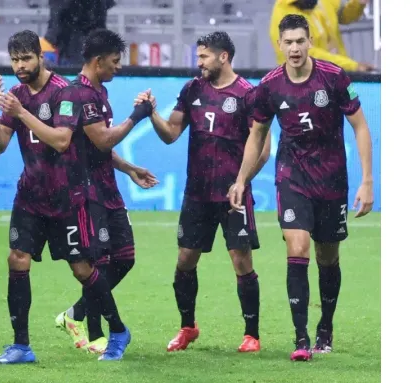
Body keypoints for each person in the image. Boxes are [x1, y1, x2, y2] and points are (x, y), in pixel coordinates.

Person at [0, 29, 150, 363]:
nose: (19, 66)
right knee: (16, 260)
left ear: (40, 56)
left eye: (25, 59)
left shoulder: (65, 92)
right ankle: (21, 346)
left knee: (82, 269)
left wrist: (20, 113)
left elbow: (63, 141)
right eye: (14, 60)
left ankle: (117, 329)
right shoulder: (16, 95)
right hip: (30, 196)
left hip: (67, 197)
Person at [228, 14, 374, 361]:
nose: (294, 48)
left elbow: (361, 128)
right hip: (292, 176)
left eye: (300, 41)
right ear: (280, 45)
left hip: (332, 179)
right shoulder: (269, 87)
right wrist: (240, 179)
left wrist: (367, 181)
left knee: (328, 256)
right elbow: (257, 135)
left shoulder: (334, 78)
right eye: (288, 42)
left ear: (309, 42)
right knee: (297, 246)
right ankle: (301, 338)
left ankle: (325, 327)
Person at [135, 31, 272, 353]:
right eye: (198, 57)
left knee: (241, 262)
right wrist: (152, 112)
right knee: (185, 260)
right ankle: (187, 327)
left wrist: (241, 181)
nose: (199, 63)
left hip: (232, 196)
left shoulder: (247, 95)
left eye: (204, 57)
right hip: (197, 193)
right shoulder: (192, 89)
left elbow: (263, 150)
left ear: (223, 56)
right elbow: (170, 134)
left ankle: (251, 334)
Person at [52, 29, 159, 355]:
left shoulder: (99, 93)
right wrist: (137, 117)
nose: (119, 67)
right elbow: (102, 139)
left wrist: (130, 168)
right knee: (96, 264)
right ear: (98, 62)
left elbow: (100, 149)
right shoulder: (76, 95)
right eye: (115, 62)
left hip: (107, 190)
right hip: (84, 195)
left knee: (125, 259)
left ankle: (76, 315)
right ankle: (111, 334)